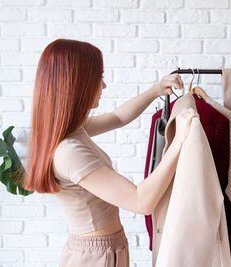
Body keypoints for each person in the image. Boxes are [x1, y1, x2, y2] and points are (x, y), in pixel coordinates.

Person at [23, 38, 198, 267]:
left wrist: (156, 90)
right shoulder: (69, 152)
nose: (104, 86)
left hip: (105, 250)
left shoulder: (71, 129)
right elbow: (140, 201)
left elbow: (118, 117)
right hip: (95, 257)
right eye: (99, 78)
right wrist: (180, 141)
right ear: (77, 84)